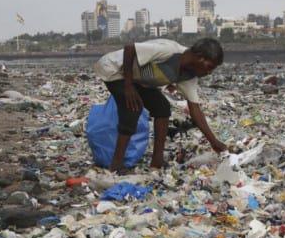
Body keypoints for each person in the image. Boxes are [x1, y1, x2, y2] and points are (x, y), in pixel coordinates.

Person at [93, 38, 227, 172]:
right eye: (210, 67)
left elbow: (195, 109)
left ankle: (157, 160)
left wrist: (213, 141)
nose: (209, 72)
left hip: (136, 79)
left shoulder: (188, 76)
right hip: (114, 69)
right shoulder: (169, 51)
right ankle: (116, 164)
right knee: (133, 107)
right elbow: (130, 48)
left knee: (162, 108)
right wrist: (128, 86)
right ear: (199, 57)